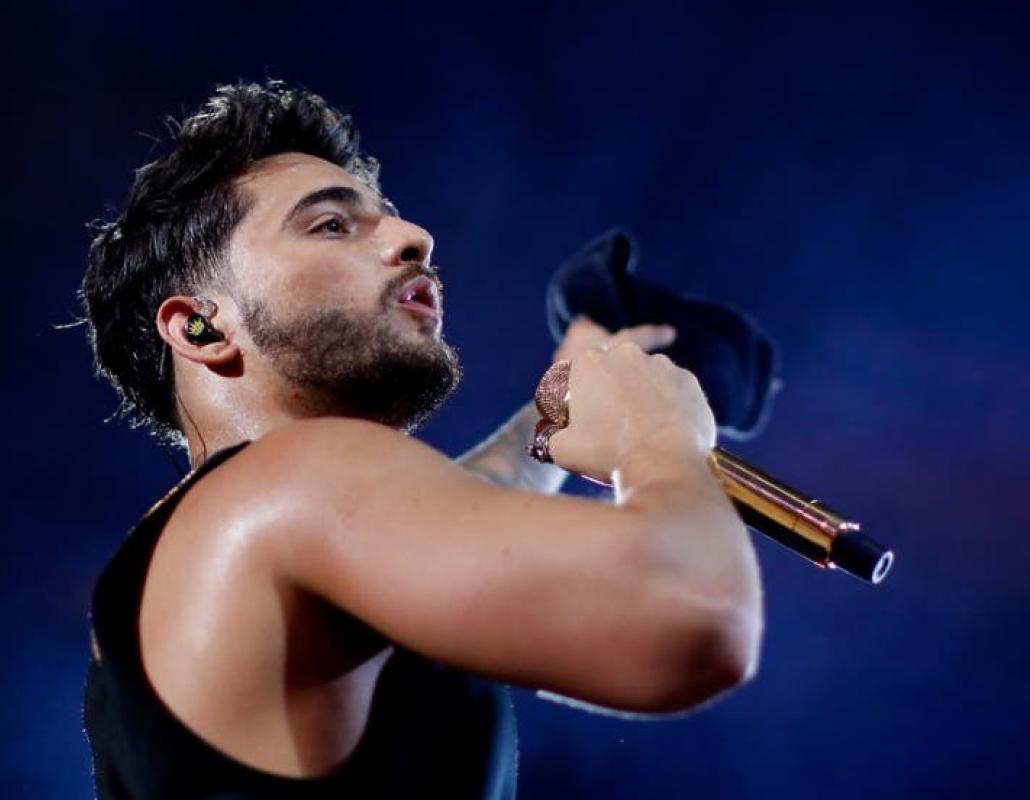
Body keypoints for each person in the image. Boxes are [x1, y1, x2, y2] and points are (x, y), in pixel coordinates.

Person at [79, 80, 763, 799]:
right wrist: (658, 434)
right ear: (200, 327)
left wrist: (556, 406)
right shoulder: (296, 477)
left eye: (388, 216)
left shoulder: (195, 554)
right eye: (331, 226)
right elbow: (696, 614)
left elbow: (453, 511)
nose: (415, 238)